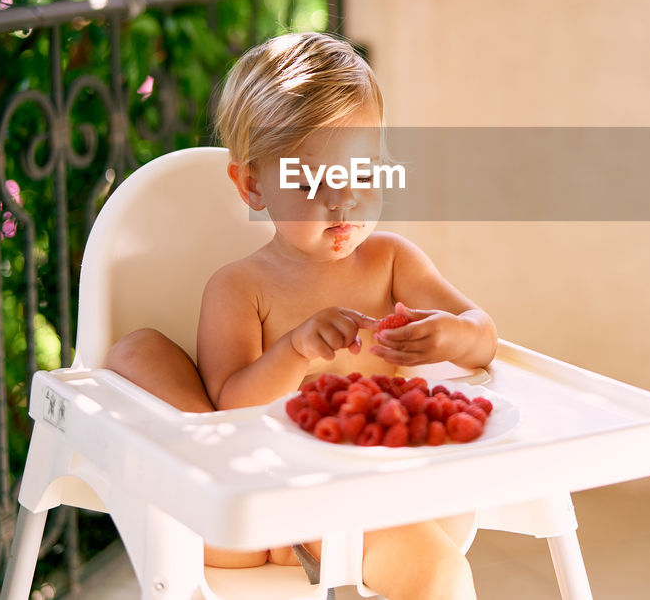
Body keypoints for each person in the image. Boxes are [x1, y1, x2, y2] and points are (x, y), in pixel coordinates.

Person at [103, 31, 498, 600]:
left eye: (362, 175)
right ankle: (191, 493)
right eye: (313, 181)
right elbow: (230, 409)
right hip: (242, 517)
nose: (343, 200)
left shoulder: (391, 263)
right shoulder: (241, 287)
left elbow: (484, 338)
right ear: (253, 184)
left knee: (443, 577)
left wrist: (451, 334)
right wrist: (294, 349)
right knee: (137, 350)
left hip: (353, 505)